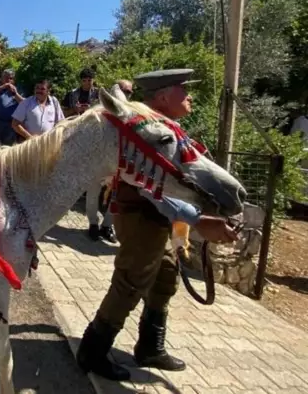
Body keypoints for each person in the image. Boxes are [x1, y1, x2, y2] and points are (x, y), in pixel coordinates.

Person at [76, 69, 240, 381]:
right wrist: (198, 219)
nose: (189, 95)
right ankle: (93, 351)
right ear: (163, 96)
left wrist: (185, 230)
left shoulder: (168, 127)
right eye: (183, 89)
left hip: (163, 217)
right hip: (141, 216)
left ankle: (150, 346)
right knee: (131, 282)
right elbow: (149, 186)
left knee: (166, 275)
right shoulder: (144, 129)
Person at [86, 79, 133, 243]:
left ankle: (107, 227)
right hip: (98, 160)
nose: (126, 95)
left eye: (129, 92)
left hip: (117, 163)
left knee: (115, 197)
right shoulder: (100, 112)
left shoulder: (129, 114)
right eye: (124, 91)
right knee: (93, 193)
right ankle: (92, 224)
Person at [0, 69, 23, 146]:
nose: (8, 80)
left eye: (10, 78)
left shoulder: (19, 88)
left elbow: (24, 103)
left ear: (13, 80)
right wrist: (2, 88)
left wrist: (15, 94)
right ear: (1, 78)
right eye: (5, 77)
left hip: (10, 123)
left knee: (8, 146)